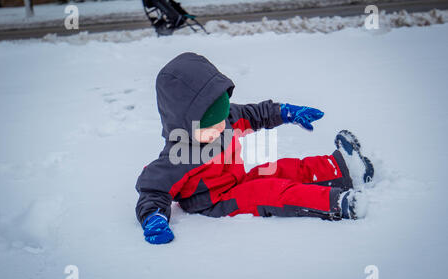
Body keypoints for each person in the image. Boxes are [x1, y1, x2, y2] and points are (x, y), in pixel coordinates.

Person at [135, 52, 374, 245]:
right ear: (185, 124)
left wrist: (285, 112)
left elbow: (254, 114)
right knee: (271, 191)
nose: (221, 128)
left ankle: (344, 168)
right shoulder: (178, 155)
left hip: (238, 181)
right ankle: (339, 204)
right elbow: (152, 190)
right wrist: (154, 217)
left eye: (222, 120)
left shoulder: (224, 119)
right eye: (211, 125)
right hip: (216, 203)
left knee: (281, 168)